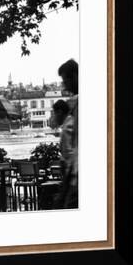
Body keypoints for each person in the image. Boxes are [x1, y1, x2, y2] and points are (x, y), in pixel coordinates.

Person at [57, 59, 79, 208]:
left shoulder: (79, 104)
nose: (65, 85)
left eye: (66, 80)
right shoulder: (77, 104)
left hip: (76, 174)